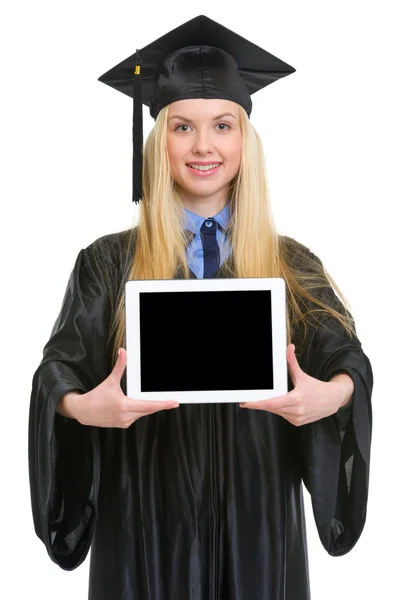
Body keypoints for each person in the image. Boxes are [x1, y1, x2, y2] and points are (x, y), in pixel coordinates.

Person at [28, 14, 373, 600]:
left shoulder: (291, 265)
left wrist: (331, 395)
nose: (204, 145)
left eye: (223, 125)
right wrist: (85, 408)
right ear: (159, 138)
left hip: (258, 521)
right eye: (182, 126)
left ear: (246, 140)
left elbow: (349, 359)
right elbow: (56, 371)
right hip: (143, 524)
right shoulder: (109, 263)